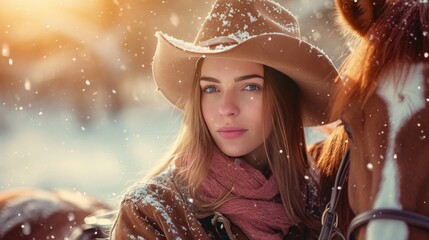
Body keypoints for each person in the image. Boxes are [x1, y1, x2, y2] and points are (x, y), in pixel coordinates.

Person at [110, 0, 338, 239]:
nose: (226, 108)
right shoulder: (152, 213)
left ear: (283, 99)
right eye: (211, 89)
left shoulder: (326, 205)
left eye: (250, 87)